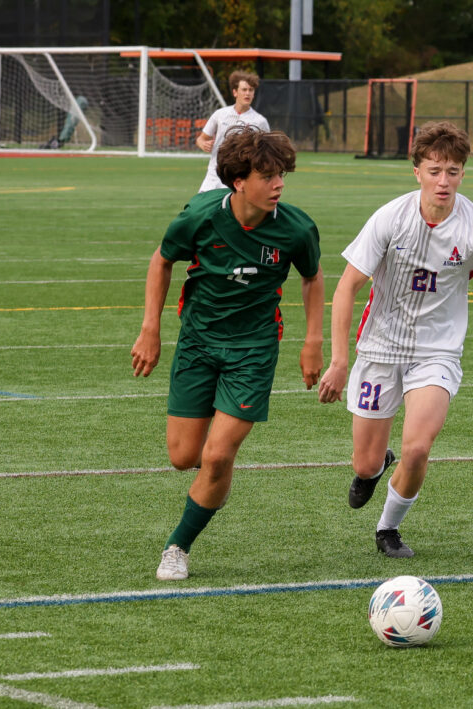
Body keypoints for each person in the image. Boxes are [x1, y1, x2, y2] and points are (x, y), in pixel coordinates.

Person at [317, 121, 473, 558]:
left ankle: (388, 529)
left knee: (418, 448)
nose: (443, 181)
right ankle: (375, 469)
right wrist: (339, 360)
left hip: (437, 353)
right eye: (434, 171)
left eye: (452, 171)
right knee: (365, 463)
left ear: (463, 174)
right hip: (379, 348)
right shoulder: (390, 218)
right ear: (417, 172)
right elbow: (346, 288)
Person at [131, 126, 324, 580]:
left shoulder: (296, 228)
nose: (279, 184)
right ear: (239, 181)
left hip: (254, 350)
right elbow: (162, 260)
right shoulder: (199, 215)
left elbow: (312, 279)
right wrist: (150, 329)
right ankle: (215, 470)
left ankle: (177, 546)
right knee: (184, 457)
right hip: (197, 343)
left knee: (217, 456)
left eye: (282, 175)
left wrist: (313, 342)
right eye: (268, 175)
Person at [196, 70, 270, 193]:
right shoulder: (220, 114)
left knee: (229, 211)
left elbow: (267, 150)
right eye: (244, 89)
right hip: (213, 176)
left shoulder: (259, 121)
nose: (248, 93)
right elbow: (201, 138)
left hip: (237, 179)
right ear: (235, 92)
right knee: (200, 210)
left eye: (251, 90)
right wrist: (203, 144)